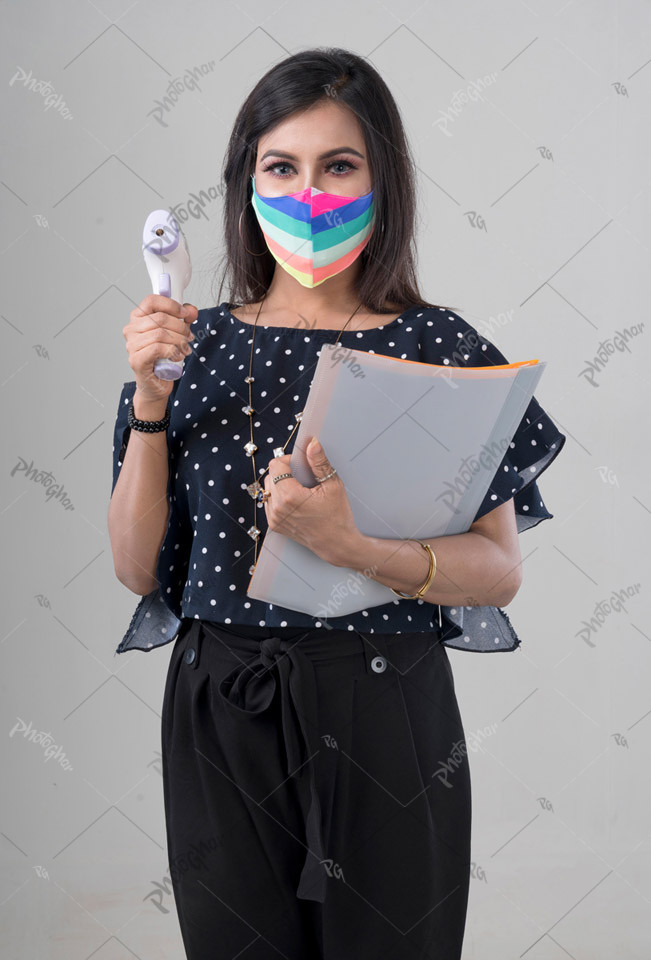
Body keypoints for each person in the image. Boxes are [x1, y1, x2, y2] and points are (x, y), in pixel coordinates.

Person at [108, 47, 566, 960]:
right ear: (244, 184)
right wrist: (150, 400)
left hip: (387, 704)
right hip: (221, 705)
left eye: (338, 165)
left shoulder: (440, 344)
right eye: (280, 167)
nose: (308, 192)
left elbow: (498, 574)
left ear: (382, 179)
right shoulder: (183, 347)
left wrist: (349, 544)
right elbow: (135, 569)